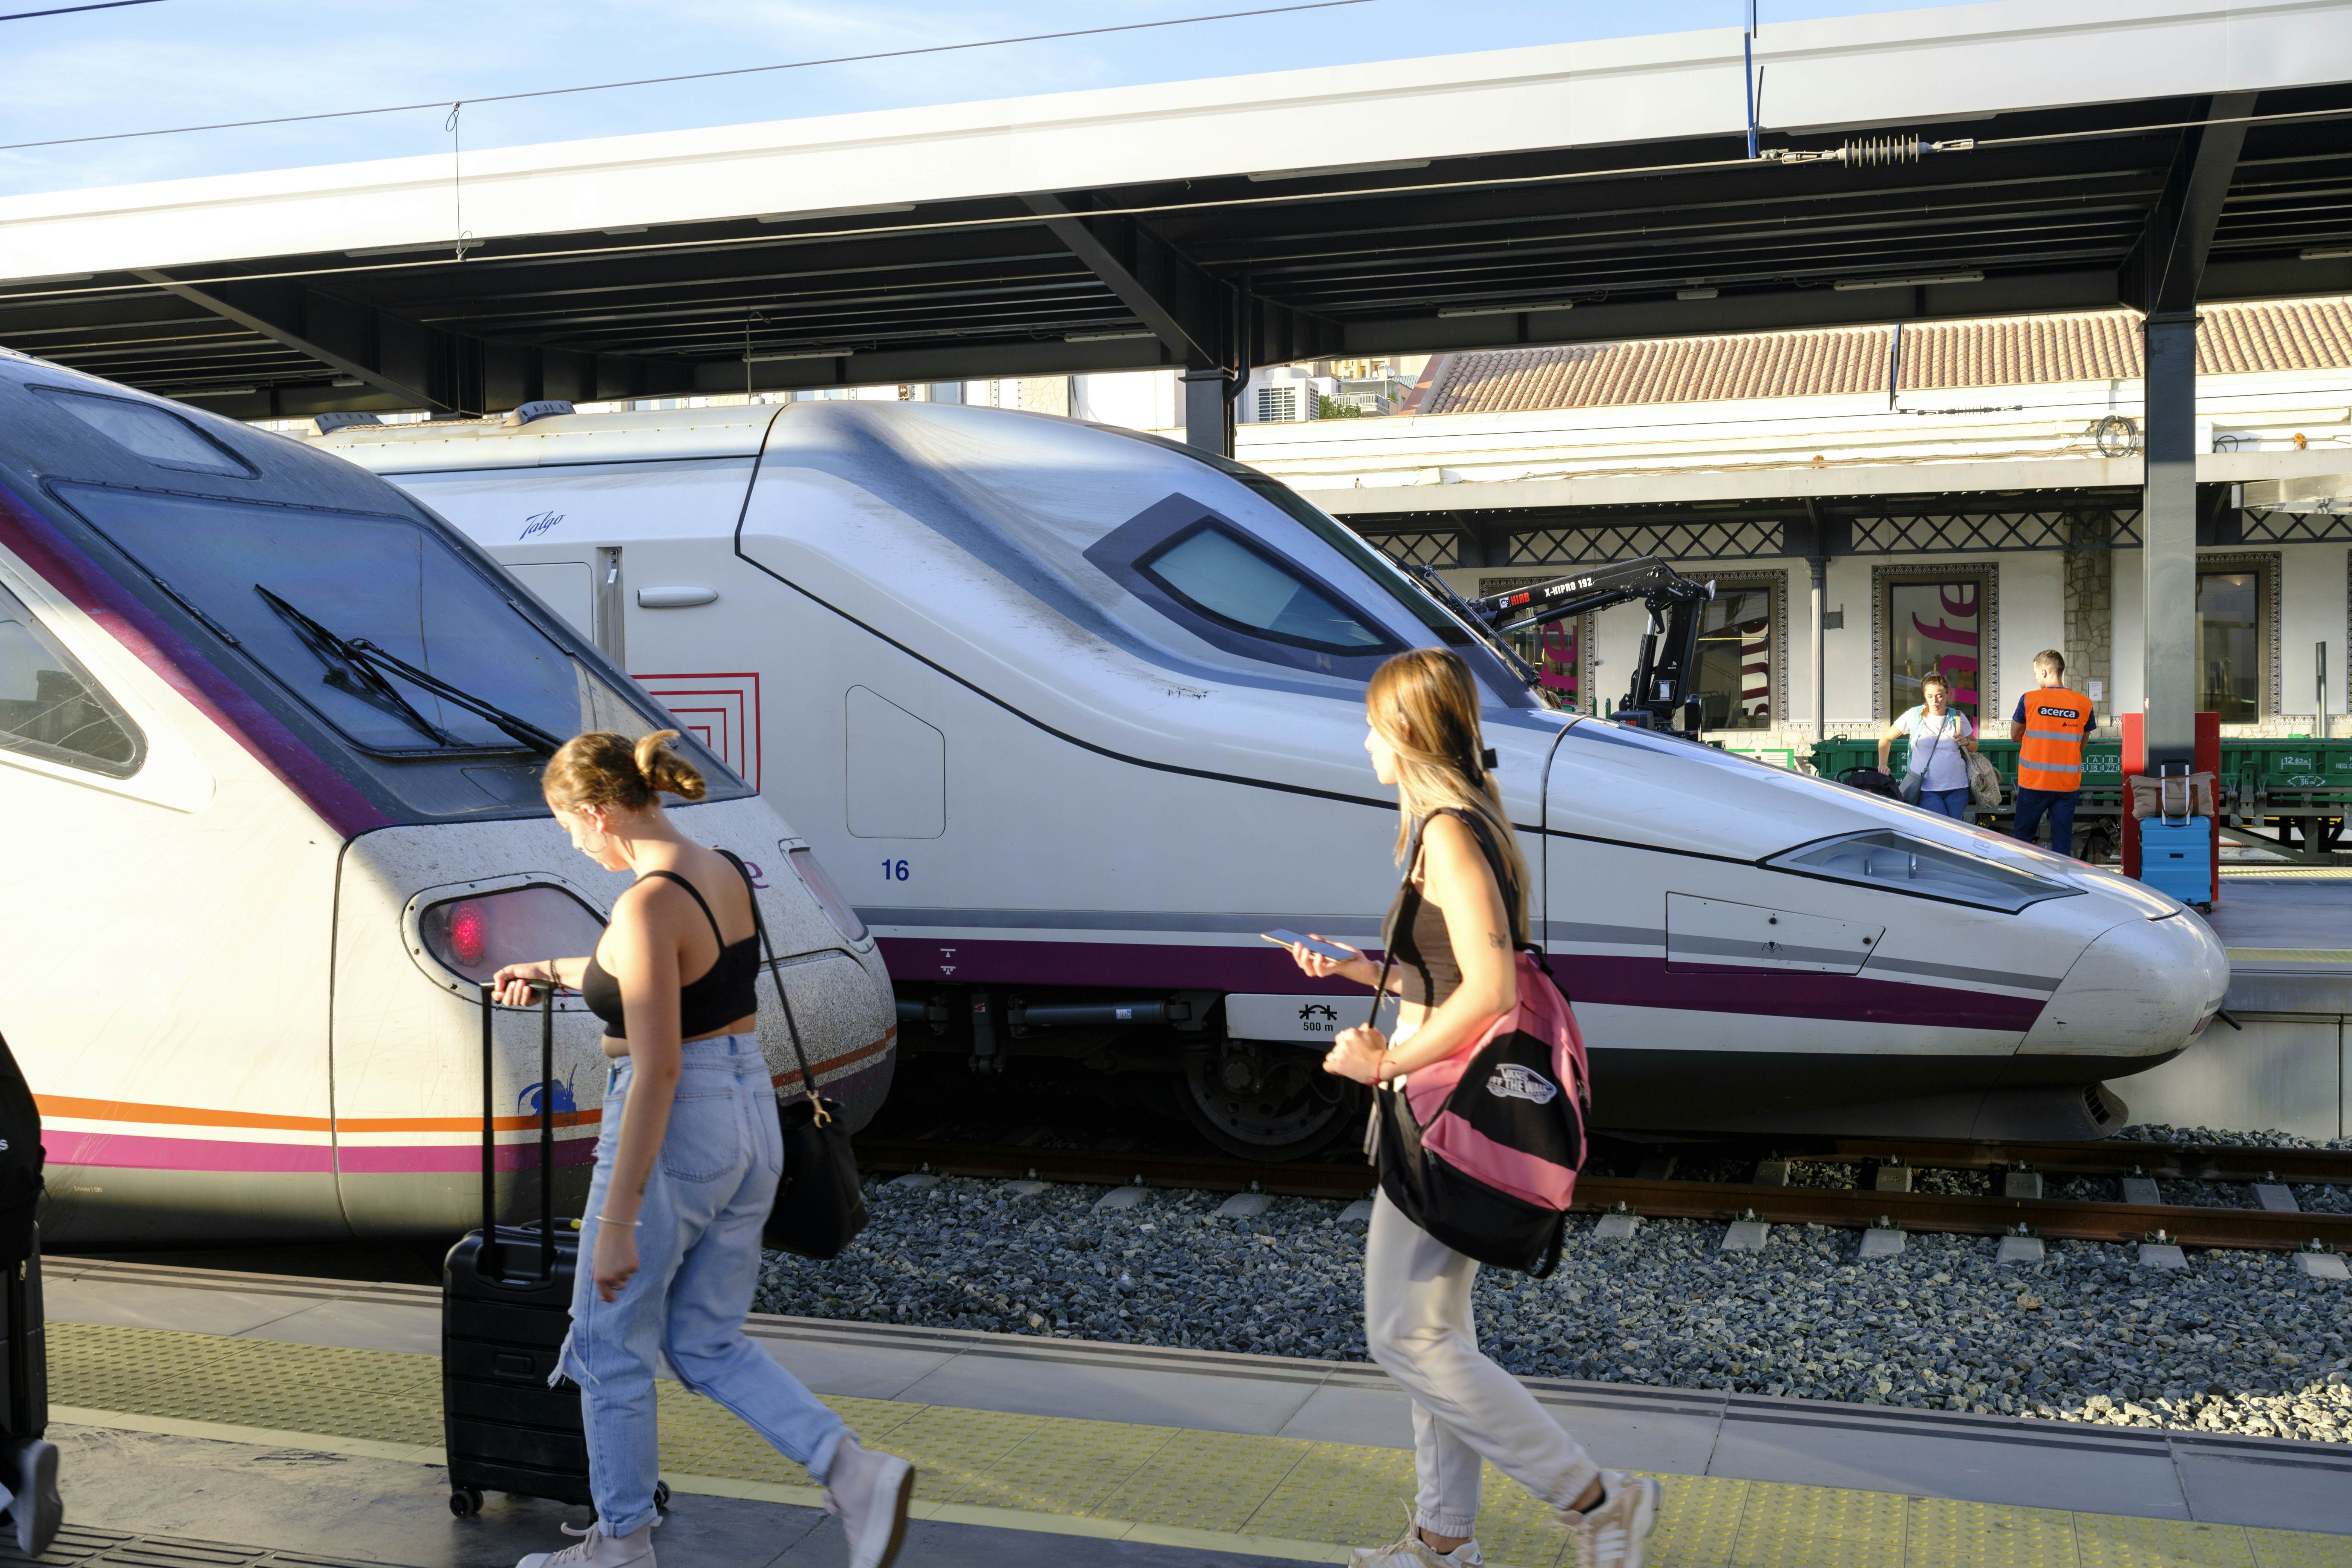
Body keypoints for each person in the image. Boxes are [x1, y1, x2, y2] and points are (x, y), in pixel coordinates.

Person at [493, 730, 911, 1568]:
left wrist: (616, 1218)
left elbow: (657, 1068)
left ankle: (620, 1545)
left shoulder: (646, 904)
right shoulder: (718, 868)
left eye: (568, 825)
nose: (572, 842)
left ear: (598, 811)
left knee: (608, 1345)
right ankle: (852, 1470)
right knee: (705, 1341)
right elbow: (653, 971)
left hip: (676, 1126)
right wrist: (546, 965)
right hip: (750, 1113)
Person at [1284, 649, 1659, 1568]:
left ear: (1407, 731)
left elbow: (1490, 990)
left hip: (1443, 1110)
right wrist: (1360, 968)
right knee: (1435, 1335)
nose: (1363, 738)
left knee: (1402, 1333)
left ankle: (1597, 1501)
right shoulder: (1451, 824)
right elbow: (1451, 968)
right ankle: (1444, 1542)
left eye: (1373, 722)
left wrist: (1385, 1059)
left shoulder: (1449, 832)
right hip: (1436, 1103)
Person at [2008, 649, 2095, 857]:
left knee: (2022, 840)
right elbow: (2082, 743)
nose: (2036, 678)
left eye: (2037, 674)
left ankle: (2021, 882)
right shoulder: (2084, 703)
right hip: (2067, 785)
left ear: (2045, 672)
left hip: (2034, 784)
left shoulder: (2030, 699)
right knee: (2062, 843)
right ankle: (2063, 885)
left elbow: (2014, 735)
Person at [1879, 672, 1977, 819]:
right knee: (1942, 829)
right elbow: (1886, 739)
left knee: (1953, 833)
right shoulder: (1914, 715)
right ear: (1924, 695)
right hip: (1926, 789)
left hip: (1958, 787)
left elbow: (1975, 746)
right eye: (1930, 696)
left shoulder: (1957, 716)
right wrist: (1883, 764)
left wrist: (1967, 742)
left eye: (1940, 696)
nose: (1935, 701)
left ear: (1948, 695)